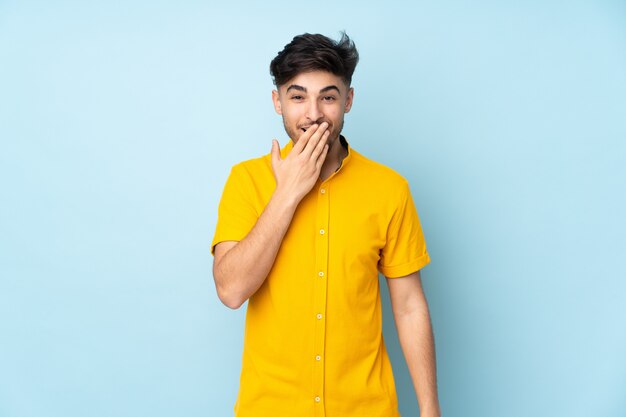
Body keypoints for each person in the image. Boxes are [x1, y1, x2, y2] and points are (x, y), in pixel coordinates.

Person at [211, 32, 441, 417]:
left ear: (348, 100)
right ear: (277, 102)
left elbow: (409, 307)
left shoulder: (390, 189)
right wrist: (288, 194)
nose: (313, 113)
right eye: (297, 96)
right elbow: (231, 291)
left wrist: (430, 409)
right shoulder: (246, 181)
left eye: (328, 97)